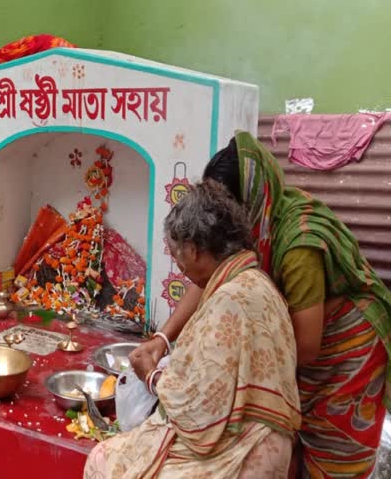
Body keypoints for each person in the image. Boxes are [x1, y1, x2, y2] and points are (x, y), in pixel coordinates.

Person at [133, 131, 391, 478]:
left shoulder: (298, 245)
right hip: (301, 336)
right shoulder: (256, 221)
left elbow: (307, 345)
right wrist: (162, 339)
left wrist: (229, 369)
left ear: (247, 202)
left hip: (345, 347)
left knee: (331, 455)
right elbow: (209, 276)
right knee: (287, 441)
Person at [85, 180, 301, 478]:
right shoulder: (256, 282)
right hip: (260, 441)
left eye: (178, 256)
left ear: (195, 250)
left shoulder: (229, 301)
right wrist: (162, 341)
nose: (180, 268)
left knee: (103, 459)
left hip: (242, 453)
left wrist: (151, 376)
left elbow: (199, 418)